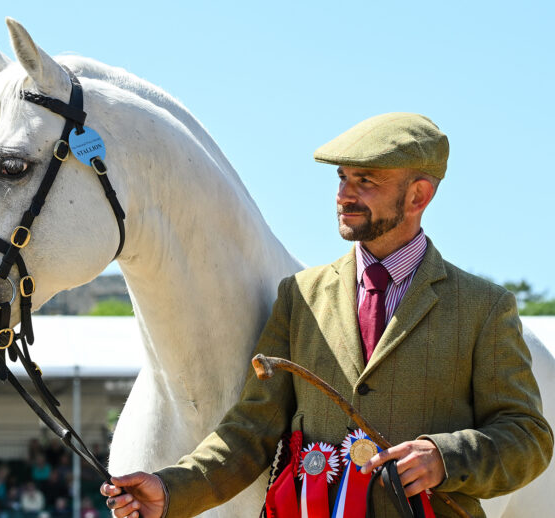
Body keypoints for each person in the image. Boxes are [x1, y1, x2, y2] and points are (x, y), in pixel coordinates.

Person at [101, 113, 554, 518]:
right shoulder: (299, 296)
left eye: (366, 181)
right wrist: (170, 490)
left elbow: (529, 437)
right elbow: (250, 432)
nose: (344, 195)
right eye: (342, 179)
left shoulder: (485, 307)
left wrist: (445, 457)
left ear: (419, 195)